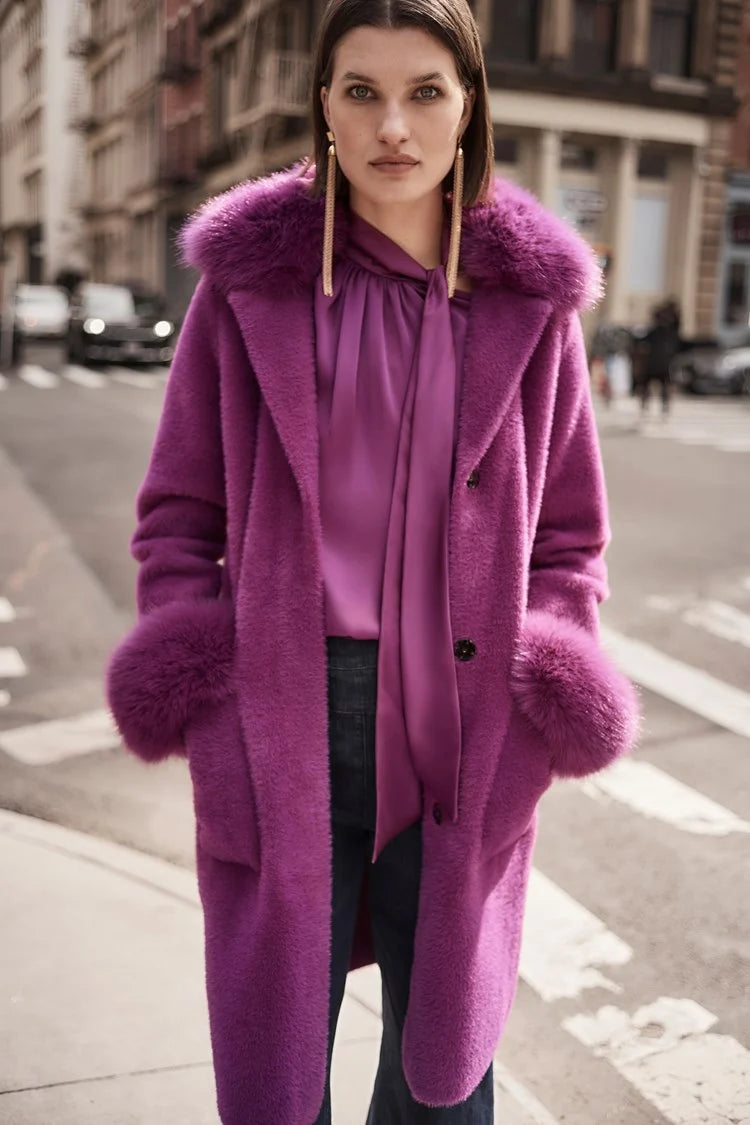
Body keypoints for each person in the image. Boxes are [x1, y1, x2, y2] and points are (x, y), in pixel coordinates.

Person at [105, 2, 640, 1122]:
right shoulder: (246, 289)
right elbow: (176, 516)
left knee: (445, 1076)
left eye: (426, 92)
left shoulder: (532, 304)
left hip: (468, 717)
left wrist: (543, 688)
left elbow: (570, 539)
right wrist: (210, 689)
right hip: (286, 710)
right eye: (362, 91)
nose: (394, 124)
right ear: (325, 109)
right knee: (279, 1060)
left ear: (468, 109)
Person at [638, 299, 681, 419]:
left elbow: (642, 343)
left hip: (655, 364)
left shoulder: (659, 331)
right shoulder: (669, 332)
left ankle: (649, 407)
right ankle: (660, 408)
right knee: (662, 388)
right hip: (661, 364)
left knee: (653, 387)